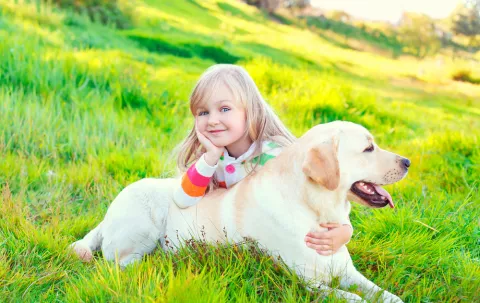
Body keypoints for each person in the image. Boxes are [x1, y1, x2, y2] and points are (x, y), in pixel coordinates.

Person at [173, 64, 352, 256]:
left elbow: (321, 197)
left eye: (224, 109)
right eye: (203, 112)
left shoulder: (276, 157)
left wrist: (344, 230)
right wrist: (209, 159)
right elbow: (182, 200)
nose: (212, 120)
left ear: (250, 110)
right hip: (241, 241)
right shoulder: (211, 160)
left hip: (285, 241)